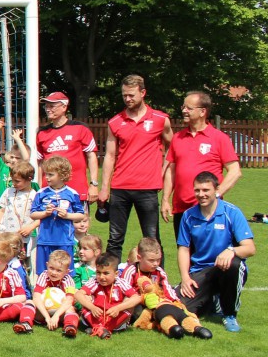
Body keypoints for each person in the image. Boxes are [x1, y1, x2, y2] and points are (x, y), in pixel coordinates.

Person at [100, 75, 174, 259]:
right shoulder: (115, 122)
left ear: (143, 93)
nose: (127, 99)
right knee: (115, 239)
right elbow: (109, 156)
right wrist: (104, 188)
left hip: (148, 188)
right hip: (120, 187)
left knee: (152, 239)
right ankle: (110, 285)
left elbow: (174, 148)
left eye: (131, 95)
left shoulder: (160, 119)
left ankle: (158, 283)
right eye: (124, 95)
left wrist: (164, 168)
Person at [177, 171, 256, 332]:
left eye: (206, 190)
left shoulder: (231, 212)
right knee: (179, 308)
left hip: (224, 268)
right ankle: (213, 300)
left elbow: (250, 248)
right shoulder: (188, 216)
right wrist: (185, 278)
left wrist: (231, 250)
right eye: (197, 190)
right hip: (200, 271)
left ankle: (229, 314)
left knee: (234, 264)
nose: (201, 194)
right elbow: (183, 249)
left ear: (216, 189)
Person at [161, 91, 241, 237]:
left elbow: (235, 171)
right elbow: (171, 171)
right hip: (181, 209)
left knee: (207, 254)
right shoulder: (178, 138)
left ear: (203, 111)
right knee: (184, 252)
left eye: (189, 108)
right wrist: (165, 200)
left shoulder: (219, 138)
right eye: (183, 107)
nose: (184, 111)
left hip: (207, 208)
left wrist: (216, 194)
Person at [35, 92, 99, 203]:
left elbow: (91, 156)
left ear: (64, 107)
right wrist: (40, 187)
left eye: (52, 106)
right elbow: (40, 162)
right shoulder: (42, 133)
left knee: (79, 220)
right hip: (49, 192)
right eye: (46, 106)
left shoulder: (80, 128)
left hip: (76, 190)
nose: (48, 109)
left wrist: (94, 184)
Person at [30, 156, 87, 274]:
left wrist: (67, 216)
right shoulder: (41, 193)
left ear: (62, 175)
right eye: (46, 174)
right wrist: (45, 213)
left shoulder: (72, 193)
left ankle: (67, 292)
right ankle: (43, 292)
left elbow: (81, 215)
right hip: (44, 240)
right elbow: (33, 214)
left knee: (65, 272)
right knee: (44, 273)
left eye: (51, 175)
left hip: (64, 240)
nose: (47, 177)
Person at [75, 254, 142, 339]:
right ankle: (100, 329)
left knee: (130, 304)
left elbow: (137, 298)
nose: (101, 277)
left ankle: (98, 329)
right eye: (98, 272)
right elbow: (78, 294)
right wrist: (92, 307)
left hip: (114, 318)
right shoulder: (95, 281)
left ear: (116, 274)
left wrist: (118, 308)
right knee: (85, 299)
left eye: (106, 273)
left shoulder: (121, 283)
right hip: (97, 315)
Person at [14, 250, 80, 337]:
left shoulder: (68, 280)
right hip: (42, 312)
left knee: (70, 308)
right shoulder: (44, 276)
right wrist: (47, 317)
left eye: (59, 270)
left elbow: (69, 300)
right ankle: (26, 323)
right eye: (51, 268)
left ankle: (69, 327)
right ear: (47, 265)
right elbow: (36, 297)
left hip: (60, 314)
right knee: (29, 302)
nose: (54, 273)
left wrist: (56, 316)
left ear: (66, 272)